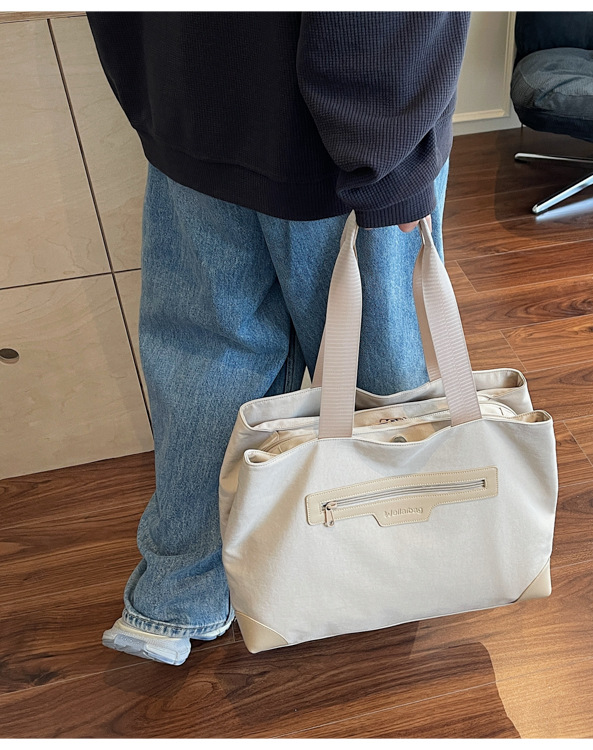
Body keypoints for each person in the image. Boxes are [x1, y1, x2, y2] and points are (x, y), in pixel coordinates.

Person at [86, 11, 470, 665]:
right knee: (376, 381)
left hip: (191, 106)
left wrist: (157, 96)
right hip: (340, 146)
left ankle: (176, 595)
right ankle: (385, 559)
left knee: (204, 360)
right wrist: (389, 162)